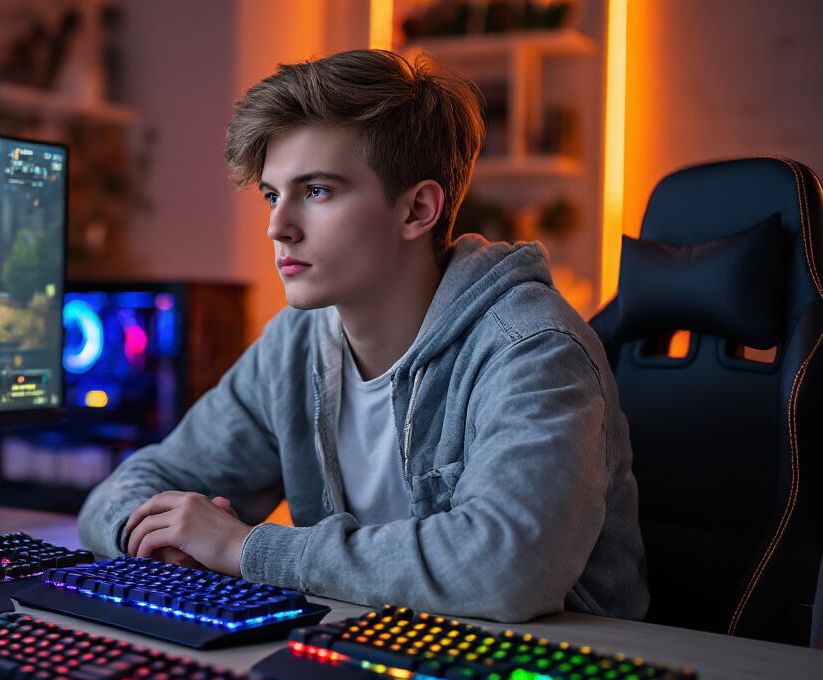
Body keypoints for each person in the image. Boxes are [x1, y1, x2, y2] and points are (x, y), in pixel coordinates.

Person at [76, 50, 649, 622]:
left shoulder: (532, 346)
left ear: (417, 209)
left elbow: (501, 570)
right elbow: (125, 490)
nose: (278, 226)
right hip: (376, 652)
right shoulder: (294, 344)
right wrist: (153, 537)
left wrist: (240, 548)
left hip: (560, 675)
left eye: (317, 190)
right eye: (273, 195)